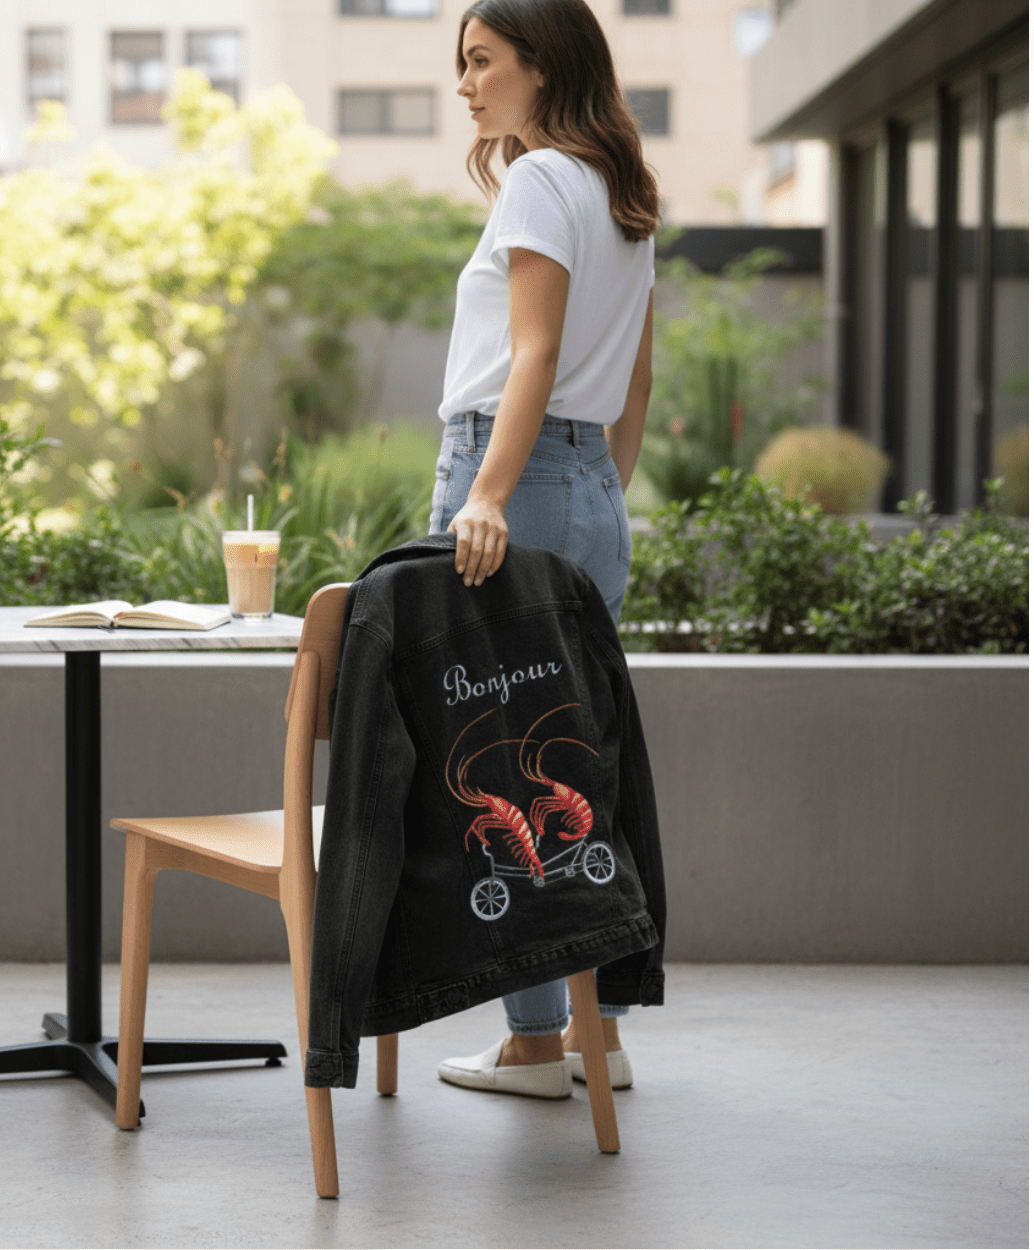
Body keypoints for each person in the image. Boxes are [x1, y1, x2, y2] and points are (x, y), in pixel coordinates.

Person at [430, 0, 659, 1098]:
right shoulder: (621, 191)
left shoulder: (537, 179)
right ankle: (596, 1032)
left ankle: (530, 1041)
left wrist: (489, 492)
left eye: (482, 61)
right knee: (580, 765)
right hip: (590, 491)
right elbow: (634, 384)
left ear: (541, 62)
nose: (465, 85)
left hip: (512, 482)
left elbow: (532, 352)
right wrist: (592, 488)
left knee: (499, 770)